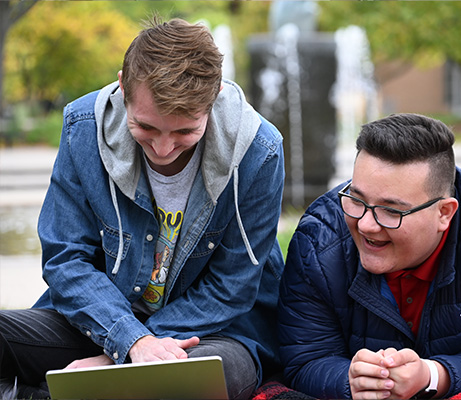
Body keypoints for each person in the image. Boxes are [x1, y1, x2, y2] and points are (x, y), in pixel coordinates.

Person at [0, 17, 285, 400]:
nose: (164, 149)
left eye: (185, 132)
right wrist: (128, 341)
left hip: (212, 336)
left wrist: (125, 354)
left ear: (214, 95)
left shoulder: (260, 151)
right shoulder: (83, 128)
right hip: (97, 322)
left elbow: (232, 288)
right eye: (146, 128)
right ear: (123, 86)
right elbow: (65, 259)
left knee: (185, 383)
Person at [277, 113, 461, 399]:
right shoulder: (319, 238)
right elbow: (305, 359)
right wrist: (350, 382)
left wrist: (431, 376)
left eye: (391, 210)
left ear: (444, 213)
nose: (365, 224)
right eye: (357, 199)